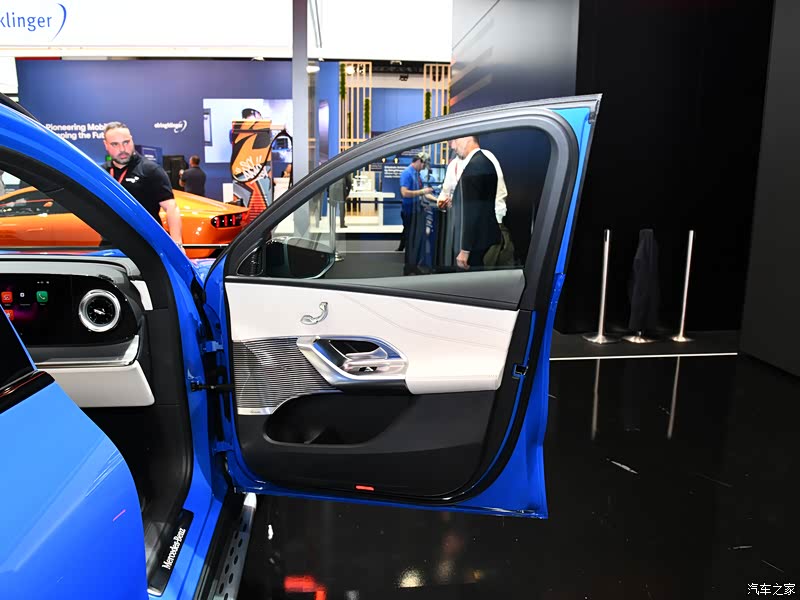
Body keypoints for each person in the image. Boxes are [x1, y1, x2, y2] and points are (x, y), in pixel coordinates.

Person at [102, 122, 184, 252]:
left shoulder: (150, 170)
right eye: (115, 144)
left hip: (147, 246)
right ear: (106, 145)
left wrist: (177, 245)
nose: (122, 149)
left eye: (126, 142)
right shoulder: (102, 173)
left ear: (132, 140)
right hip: (111, 246)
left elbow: (171, 207)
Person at [449, 136, 500, 270]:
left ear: (467, 139)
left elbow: (472, 211)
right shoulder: (481, 162)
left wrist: (465, 249)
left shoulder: (475, 166)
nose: (453, 146)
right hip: (480, 239)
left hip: (476, 243)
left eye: (455, 141)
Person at [398, 151, 434, 252]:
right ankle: (406, 254)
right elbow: (404, 193)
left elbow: (423, 192)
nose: (424, 167)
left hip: (416, 208)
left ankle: (403, 250)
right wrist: (422, 191)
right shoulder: (407, 173)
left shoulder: (418, 175)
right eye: (424, 165)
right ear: (419, 161)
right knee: (409, 232)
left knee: (410, 232)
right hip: (408, 209)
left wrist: (437, 199)